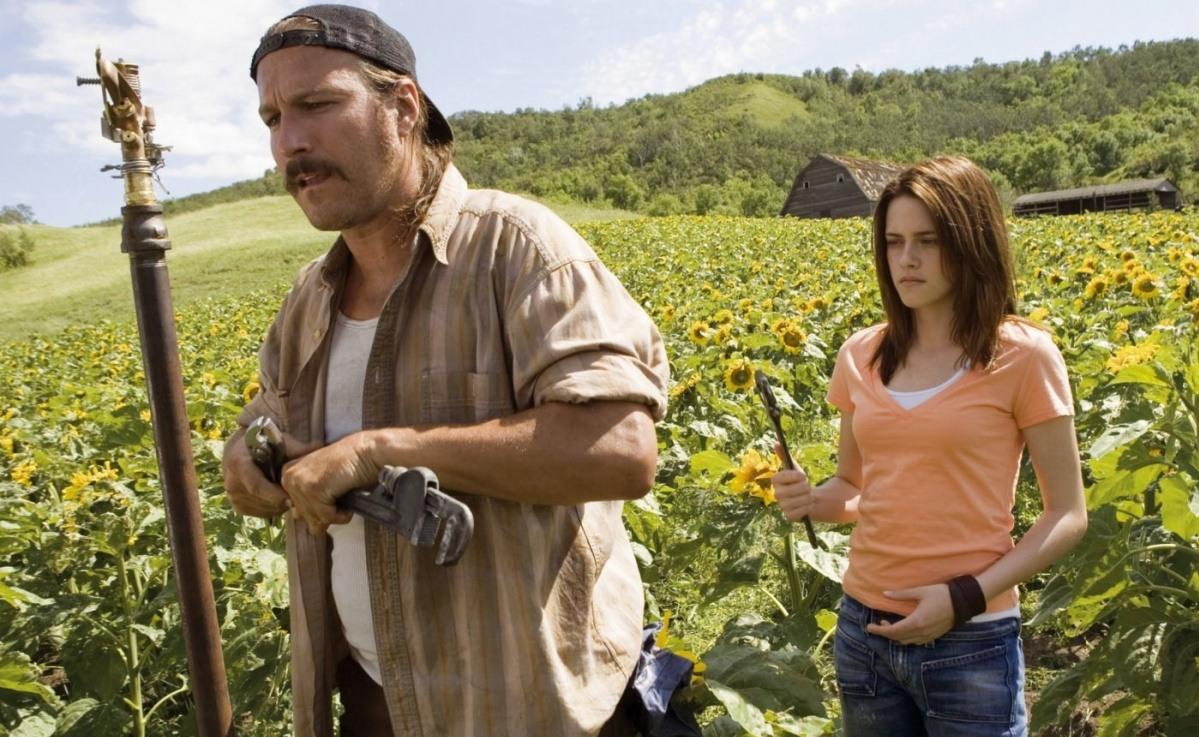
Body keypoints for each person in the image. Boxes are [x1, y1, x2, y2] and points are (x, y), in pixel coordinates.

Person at [220, 6, 669, 736]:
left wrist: (379, 451)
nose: (289, 141)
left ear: (403, 107)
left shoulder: (516, 248)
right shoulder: (309, 299)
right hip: (372, 703)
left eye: (317, 104)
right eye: (272, 118)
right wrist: (247, 453)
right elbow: (261, 421)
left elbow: (618, 449)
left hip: (525, 711)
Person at [771, 156, 1088, 736]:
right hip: (864, 632)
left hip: (970, 639)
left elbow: (1067, 514)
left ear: (972, 243)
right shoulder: (861, 354)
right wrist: (810, 499)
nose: (906, 260)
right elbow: (853, 489)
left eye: (928, 241)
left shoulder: (1023, 356)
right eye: (893, 242)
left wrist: (964, 597)